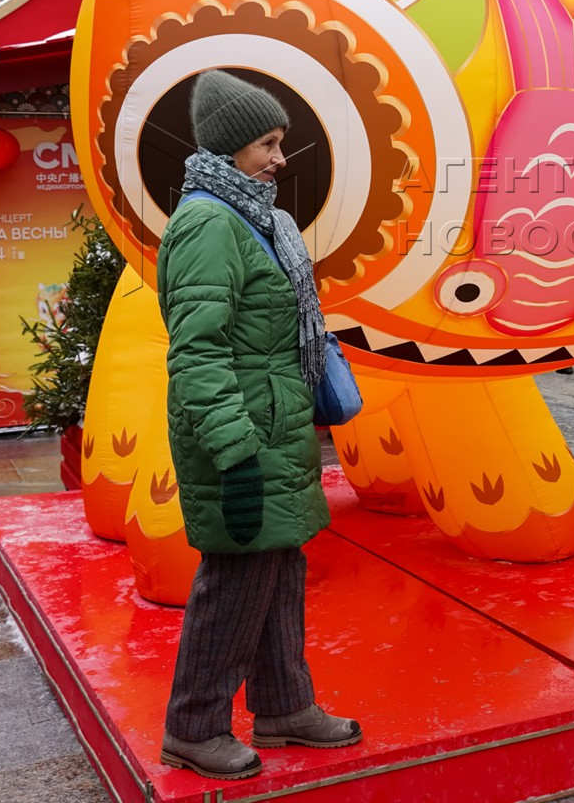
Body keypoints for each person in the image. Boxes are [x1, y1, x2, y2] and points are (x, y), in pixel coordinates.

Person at [158, 70, 361, 780]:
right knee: (238, 576)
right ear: (229, 147)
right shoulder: (208, 223)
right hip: (240, 434)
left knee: (279, 567)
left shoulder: (257, 218)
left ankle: (283, 705)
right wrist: (234, 451)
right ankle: (193, 725)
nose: (280, 156)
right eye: (267, 143)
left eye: (281, 142)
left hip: (275, 422)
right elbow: (198, 352)